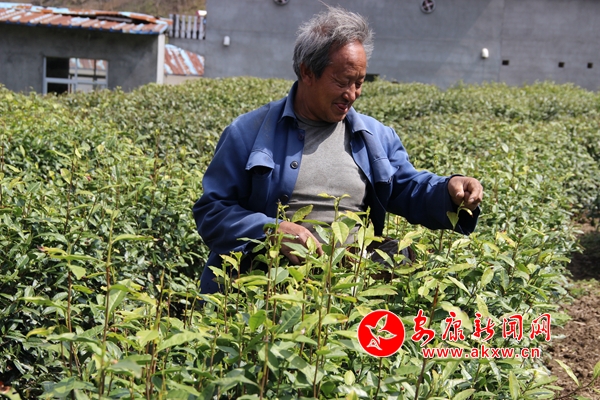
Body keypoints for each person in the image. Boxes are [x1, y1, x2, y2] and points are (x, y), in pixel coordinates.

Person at [192, 6, 483, 295]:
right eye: (342, 82)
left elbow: (407, 187)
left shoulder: (375, 137)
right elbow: (212, 213)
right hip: (267, 292)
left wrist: (449, 191)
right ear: (307, 72)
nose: (352, 94)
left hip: (350, 293)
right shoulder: (248, 133)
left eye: (359, 83)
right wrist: (270, 230)